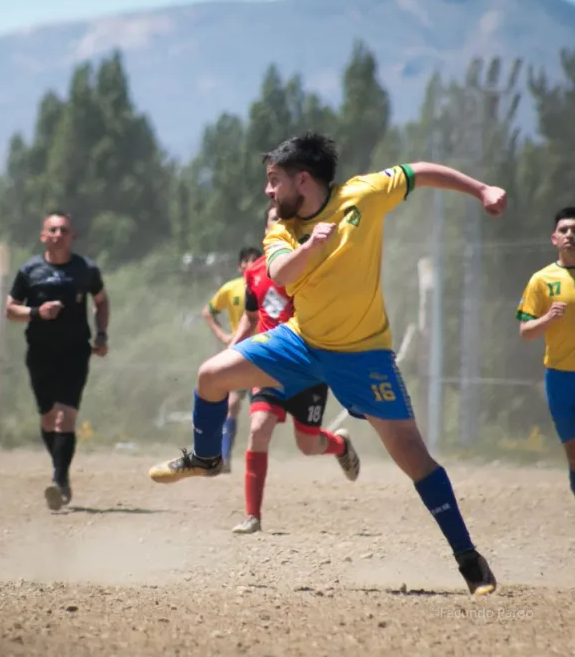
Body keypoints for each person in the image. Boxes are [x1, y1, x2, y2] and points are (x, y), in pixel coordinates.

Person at [148, 131, 505, 595]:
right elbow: (281, 274)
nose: (268, 191)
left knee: (413, 455)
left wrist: (480, 190)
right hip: (302, 341)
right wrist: (314, 246)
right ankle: (206, 457)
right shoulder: (281, 226)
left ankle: (469, 561)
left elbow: (420, 172)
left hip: (363, 354)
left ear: (302, 179)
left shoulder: (364, 194)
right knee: (210, 376)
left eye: (274, 181)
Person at [227, 203, 360, 535]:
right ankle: (253, 516)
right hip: (269, 364)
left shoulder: (311, 266)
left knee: (307, 445)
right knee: (258, 428)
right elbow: (251, 317)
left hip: (306, 366)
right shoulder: (254, 272)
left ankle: (340, 446)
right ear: (267, 230)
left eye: (286, 221)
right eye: (275, 220)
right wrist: (230, 351)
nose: (281, 225)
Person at [5, 211, 109, 511]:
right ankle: (60, 471)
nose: (58, 234)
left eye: (64, 230)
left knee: (65, 416)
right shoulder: (29, 271)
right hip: (39, 352)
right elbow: (10, 309)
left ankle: (59, 481)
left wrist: (101, 334)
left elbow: (101, 301)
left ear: (72, 236)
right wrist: (38, 312)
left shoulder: (86, 269)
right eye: (52, 229)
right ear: (43, 236)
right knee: (48, 417)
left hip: (76, 352)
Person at [516, 206, 575, 496]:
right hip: (560, 378)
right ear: (554, 238)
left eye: (574, 231)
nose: (570, 236)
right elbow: (525, 332)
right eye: (564, 230)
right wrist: (548, 318)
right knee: (574, 456)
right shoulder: (541, 280)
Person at [201, 246, 262, 472]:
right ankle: (224, 457)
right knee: (233, 404)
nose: (250, 264)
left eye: (255, 260)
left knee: (264, 412)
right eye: (246, 260)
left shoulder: (267, 285)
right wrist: (224, 335)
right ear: (240, 266)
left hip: (266, 354)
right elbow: (208, 312)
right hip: (241, 354)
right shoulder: (231, 289)